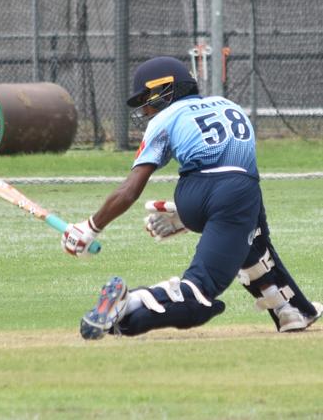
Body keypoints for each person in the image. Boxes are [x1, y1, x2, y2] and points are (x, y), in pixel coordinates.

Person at [61, 56, 322, 339]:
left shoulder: (164, 119)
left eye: (147, 98)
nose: (146, 108)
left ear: (167, 89)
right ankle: (129, 302)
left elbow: (130, 189)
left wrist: (90, 226)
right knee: (200, 292)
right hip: (235, 188)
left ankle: (292, 310)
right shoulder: (229, 105)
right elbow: (240, 176)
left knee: (252, 237)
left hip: (193, 192)